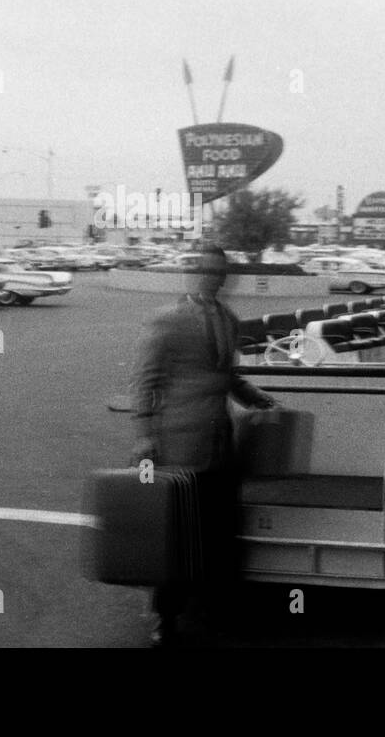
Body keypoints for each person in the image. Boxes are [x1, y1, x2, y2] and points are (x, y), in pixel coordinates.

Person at [132, 243, 277, 646]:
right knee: (177, 536)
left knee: (219, 533)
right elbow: (145, 382)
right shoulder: (167, 321)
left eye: (220, 272)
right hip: (179, 445)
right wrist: (144, 434)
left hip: (219, 444)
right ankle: (166, 616)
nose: (213, 278)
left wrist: (254, 397)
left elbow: (226, 375)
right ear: (192, 271)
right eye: (206, 270)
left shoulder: (230, 319)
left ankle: (213, 611)